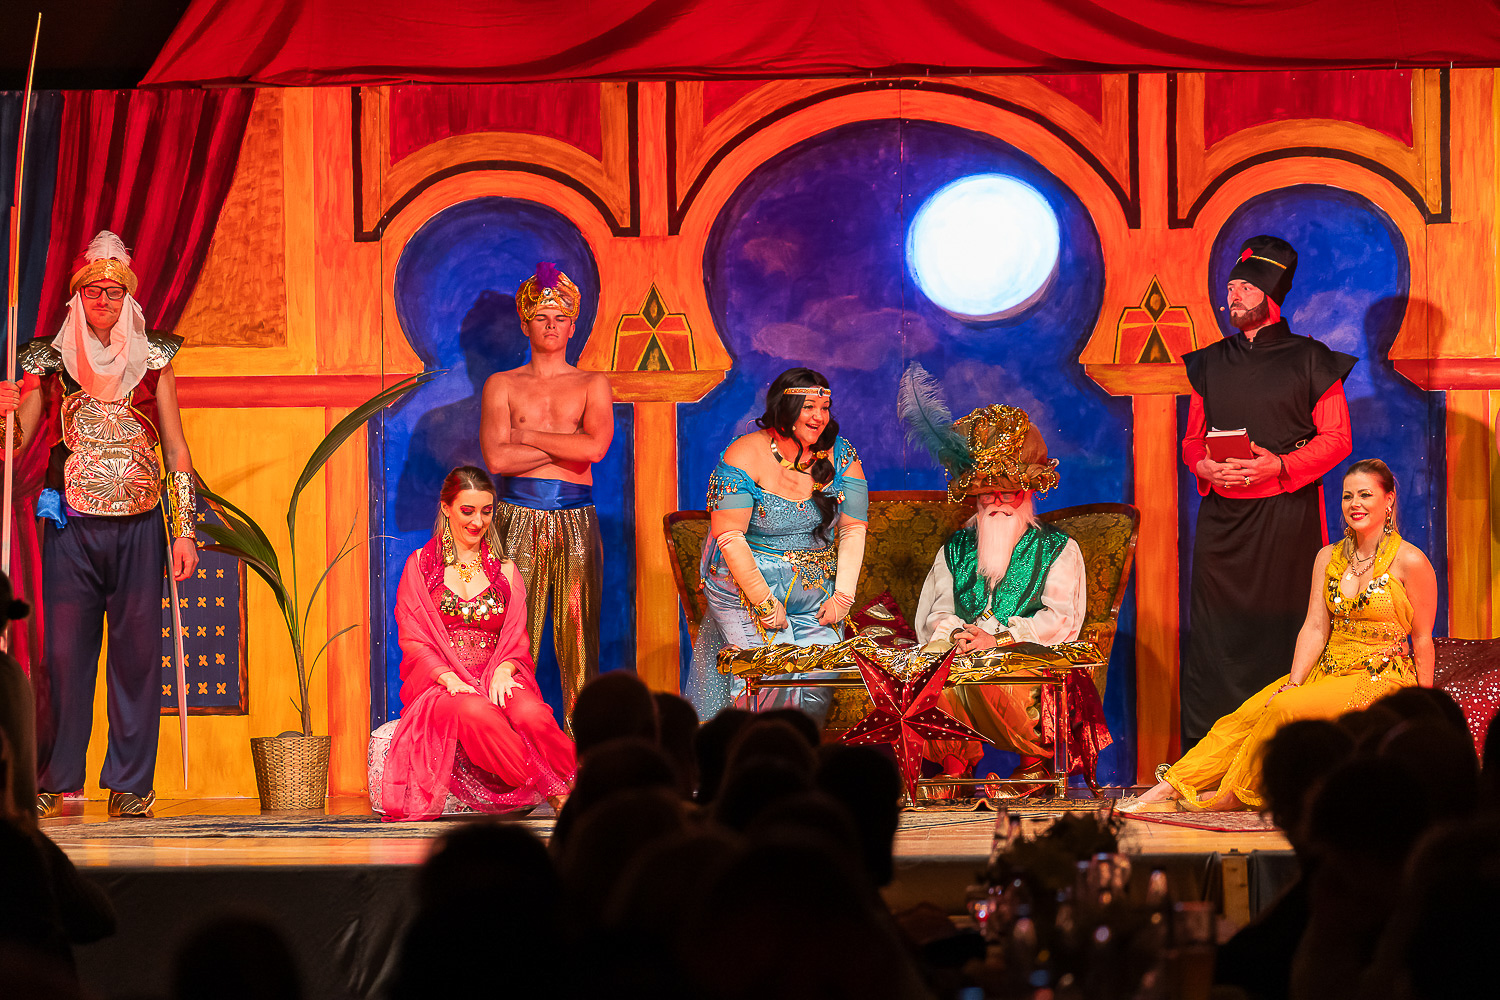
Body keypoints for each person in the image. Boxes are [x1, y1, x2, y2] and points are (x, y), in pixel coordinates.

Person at [0, 232, 199, 819]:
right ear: (79, 298)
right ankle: (56, 775)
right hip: (71, 526)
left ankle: (131, 782)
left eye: (114, 291)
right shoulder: (50, 361)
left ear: (127, 297)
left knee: (136, 657)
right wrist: (4, 413)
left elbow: (176, 449)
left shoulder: (154, 361)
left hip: (140, 526)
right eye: (94, 292)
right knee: (64, 657)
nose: (104, 300)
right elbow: (15, 445)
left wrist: (184, 530)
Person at [1133, 460, 1437, 810]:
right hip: (1329, 669)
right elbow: (1315, 626)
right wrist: (1295, 681)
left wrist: (1425, 708)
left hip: (1380, 677)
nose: (1355, 503)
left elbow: (1422, 639)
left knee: (1284, 707)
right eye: (1347, 496)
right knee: (1248, 713)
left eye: (1365, 495)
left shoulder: (1410, 561)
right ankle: (1171, 786)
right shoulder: (1328, 557)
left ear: (1389, 500)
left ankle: (1236, 794)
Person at [1180, 235, 1356, 749]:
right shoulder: (1209, 363)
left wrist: (1278, 465)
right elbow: (1191, 441)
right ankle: (1203, 766)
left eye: (1244, 287)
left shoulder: (1312, 359)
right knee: (1215, 640)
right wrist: (1204, 465)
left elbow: (1337, 438)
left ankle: (1285, 760)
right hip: (1221, 527)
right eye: (1229, 288)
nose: (1232, 296)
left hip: (1287, 518)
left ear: (1271, 293)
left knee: (1284, 633)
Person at [903, 395, 1103, 791]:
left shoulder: (1057, 548)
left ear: (1027, 493)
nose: (996, 502)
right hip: (963, 653)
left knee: (998, 670)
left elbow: (1060, 620)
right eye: (986, 494)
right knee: (932, 664)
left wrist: (998, 639)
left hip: (1028, 662)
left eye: (1006, 492)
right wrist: (955, 635)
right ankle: (954, 769)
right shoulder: (956, 549)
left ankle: (1035, 767)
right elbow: (937, 611)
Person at [380, 466, 574, 821]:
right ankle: (555, 790)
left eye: (486, 511)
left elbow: (516, 638)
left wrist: (505, 669)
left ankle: (578, 782)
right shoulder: (421, 567)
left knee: (532, 715)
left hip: (496, 674)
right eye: (467, 511)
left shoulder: (505, 571)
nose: (478, 521)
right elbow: (413, 638)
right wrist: (449, 678)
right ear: (446, 508)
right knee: (477, 713)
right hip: (443, 684)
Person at [685, 368, 868, 726]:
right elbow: (729, 536)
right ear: (785, 408)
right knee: (768, 678)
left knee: (818, 681)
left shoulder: (841, 454)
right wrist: (764, 602)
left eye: (825, 407)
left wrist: (844, 597)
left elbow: (853, 528)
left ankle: (797, 758)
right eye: (809, 407)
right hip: (743, 586)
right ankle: (752, 758)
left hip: (813, 587)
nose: (819, 417)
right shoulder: (743, 453)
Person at [480, 263, 614, 721]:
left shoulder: (591, 383)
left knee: (579, 640)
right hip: (516, 516)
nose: (551, 325)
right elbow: (497, 461)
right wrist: (568, 445)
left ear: (573, 326)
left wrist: (525, 437)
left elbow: (595, 449)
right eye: (541, 317)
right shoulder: (502, 384)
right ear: (525, 324)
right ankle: (512, 746)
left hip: (576, 518)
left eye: (560, 318)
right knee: (514, 638)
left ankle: (584, 748)